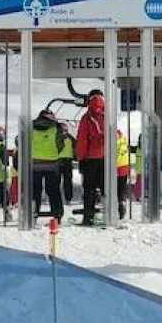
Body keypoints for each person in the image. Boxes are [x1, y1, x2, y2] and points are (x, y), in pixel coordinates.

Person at [75, 91, 109, 226]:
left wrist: (81, 157)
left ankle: (88, 217)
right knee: (106, 187)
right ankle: (109, 215)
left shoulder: (87, 117)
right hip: (105, 157)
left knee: (89, 188)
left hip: (90, 158)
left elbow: (82, 139)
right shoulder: (107, 115)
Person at [28, 108, 66, 222]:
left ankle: (33, 213)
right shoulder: (57, 127)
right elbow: (61, 144)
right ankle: (57, 214)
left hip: (35, 163)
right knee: (53, 190)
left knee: (35, 190)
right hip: (52, 163)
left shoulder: (31, 126)